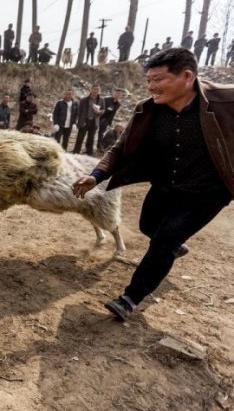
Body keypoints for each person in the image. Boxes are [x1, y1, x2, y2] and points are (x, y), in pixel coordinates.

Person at [72, 48, 233, 322]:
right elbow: (120, 148)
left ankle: (129, 298)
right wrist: (96, 176)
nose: (151, 87)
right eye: (149, 80)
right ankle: (170, 248)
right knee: (148, 226)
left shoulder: (226, 100)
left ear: (186, 76)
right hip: (165, 184)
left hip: (208, 191)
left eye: (158, 79)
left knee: (165, 237)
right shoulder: (148, 110)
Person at [73, 84, 105, 156]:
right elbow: (79, 111)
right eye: (94, 89)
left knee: (91, 138)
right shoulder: (84, 99)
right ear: (91, 90)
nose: (96, 91)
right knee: (80, 137)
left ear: (99, 91)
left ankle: (89, 152)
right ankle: (76, 151)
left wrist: (99, 112)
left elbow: (103, 109)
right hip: (84, 121)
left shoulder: (101, 100)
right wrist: (78, 122)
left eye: (97, 89)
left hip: (94, 121)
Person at [98, 88, 124, 153]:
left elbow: (113, 114)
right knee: (91, 133)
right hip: (98, 117)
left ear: (121, 96)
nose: (117, 95)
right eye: (116, 93)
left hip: (105, 120)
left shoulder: (118, 104)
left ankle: (99, 146)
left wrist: (109, 123)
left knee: (101, 133)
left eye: (119, 94)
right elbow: (99, 107)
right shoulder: (106, 99)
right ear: (113, 93)